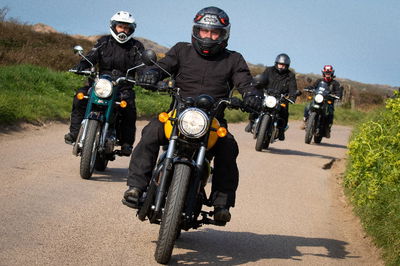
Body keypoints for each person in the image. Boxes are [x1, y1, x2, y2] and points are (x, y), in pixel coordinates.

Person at [123, 6, 262, 222]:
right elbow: (163, 66)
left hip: (213, 119)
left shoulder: (233, 59)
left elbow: (244, 82)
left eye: (214, 32)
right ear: (196, 31)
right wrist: (150, 74)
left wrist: (252, 95)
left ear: (224, 35)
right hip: (178, 114)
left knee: (228, 148)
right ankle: (136, 187)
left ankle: (221, 204)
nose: (208, 36)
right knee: (150, 132)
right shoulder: (181, 50)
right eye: (204, 31)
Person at [64, 11, 144, 156]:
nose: (123, 31)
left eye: (127, 28)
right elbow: (91, 56)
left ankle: (126, 143)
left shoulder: (136, 47)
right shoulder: (103, 42)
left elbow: (142, 65)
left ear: (132, 29)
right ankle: (75, 133)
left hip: (123, 86)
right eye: (120, 27)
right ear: (113, 27)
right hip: (100, 83)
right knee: (80, 96)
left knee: (129, 108)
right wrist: (82, 65)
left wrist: (145, 76)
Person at [245, 53, 298, 141]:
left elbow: (293, 87)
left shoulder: (290, 75)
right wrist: (257, 85)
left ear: (287, 66)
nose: (281, 67)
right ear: (276, 63)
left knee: (284, 111)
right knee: (256, 104)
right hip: (267, 94)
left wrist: (292, 97)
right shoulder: (269, 70)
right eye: (280, 64)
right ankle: (251, 122)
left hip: (281, 98)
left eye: (283, 65)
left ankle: (281, 131)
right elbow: (262, 79)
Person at [302, 65, 343, 137]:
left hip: (328, 101)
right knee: (308, 106)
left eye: (329, 72)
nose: (327, 74)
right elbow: (313, 86)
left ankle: (327, 128)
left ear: (332, 73)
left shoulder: (335, 83)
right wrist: (308, 88)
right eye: (326, 72)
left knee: (330, 113)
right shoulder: (319, 81)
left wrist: (338, 95)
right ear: (323, 73)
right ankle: (305, 121)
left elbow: (338, 91)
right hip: (318, 99)